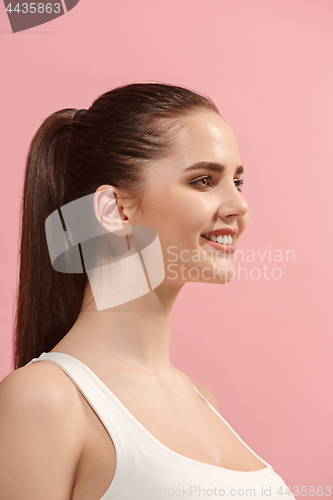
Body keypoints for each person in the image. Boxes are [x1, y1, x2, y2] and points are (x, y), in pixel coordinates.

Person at [0, 82, 295, 500]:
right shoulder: (44, 401)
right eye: (204, 180)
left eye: (238, 182)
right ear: (115, 211)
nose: (238, 206)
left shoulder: (201, 400)